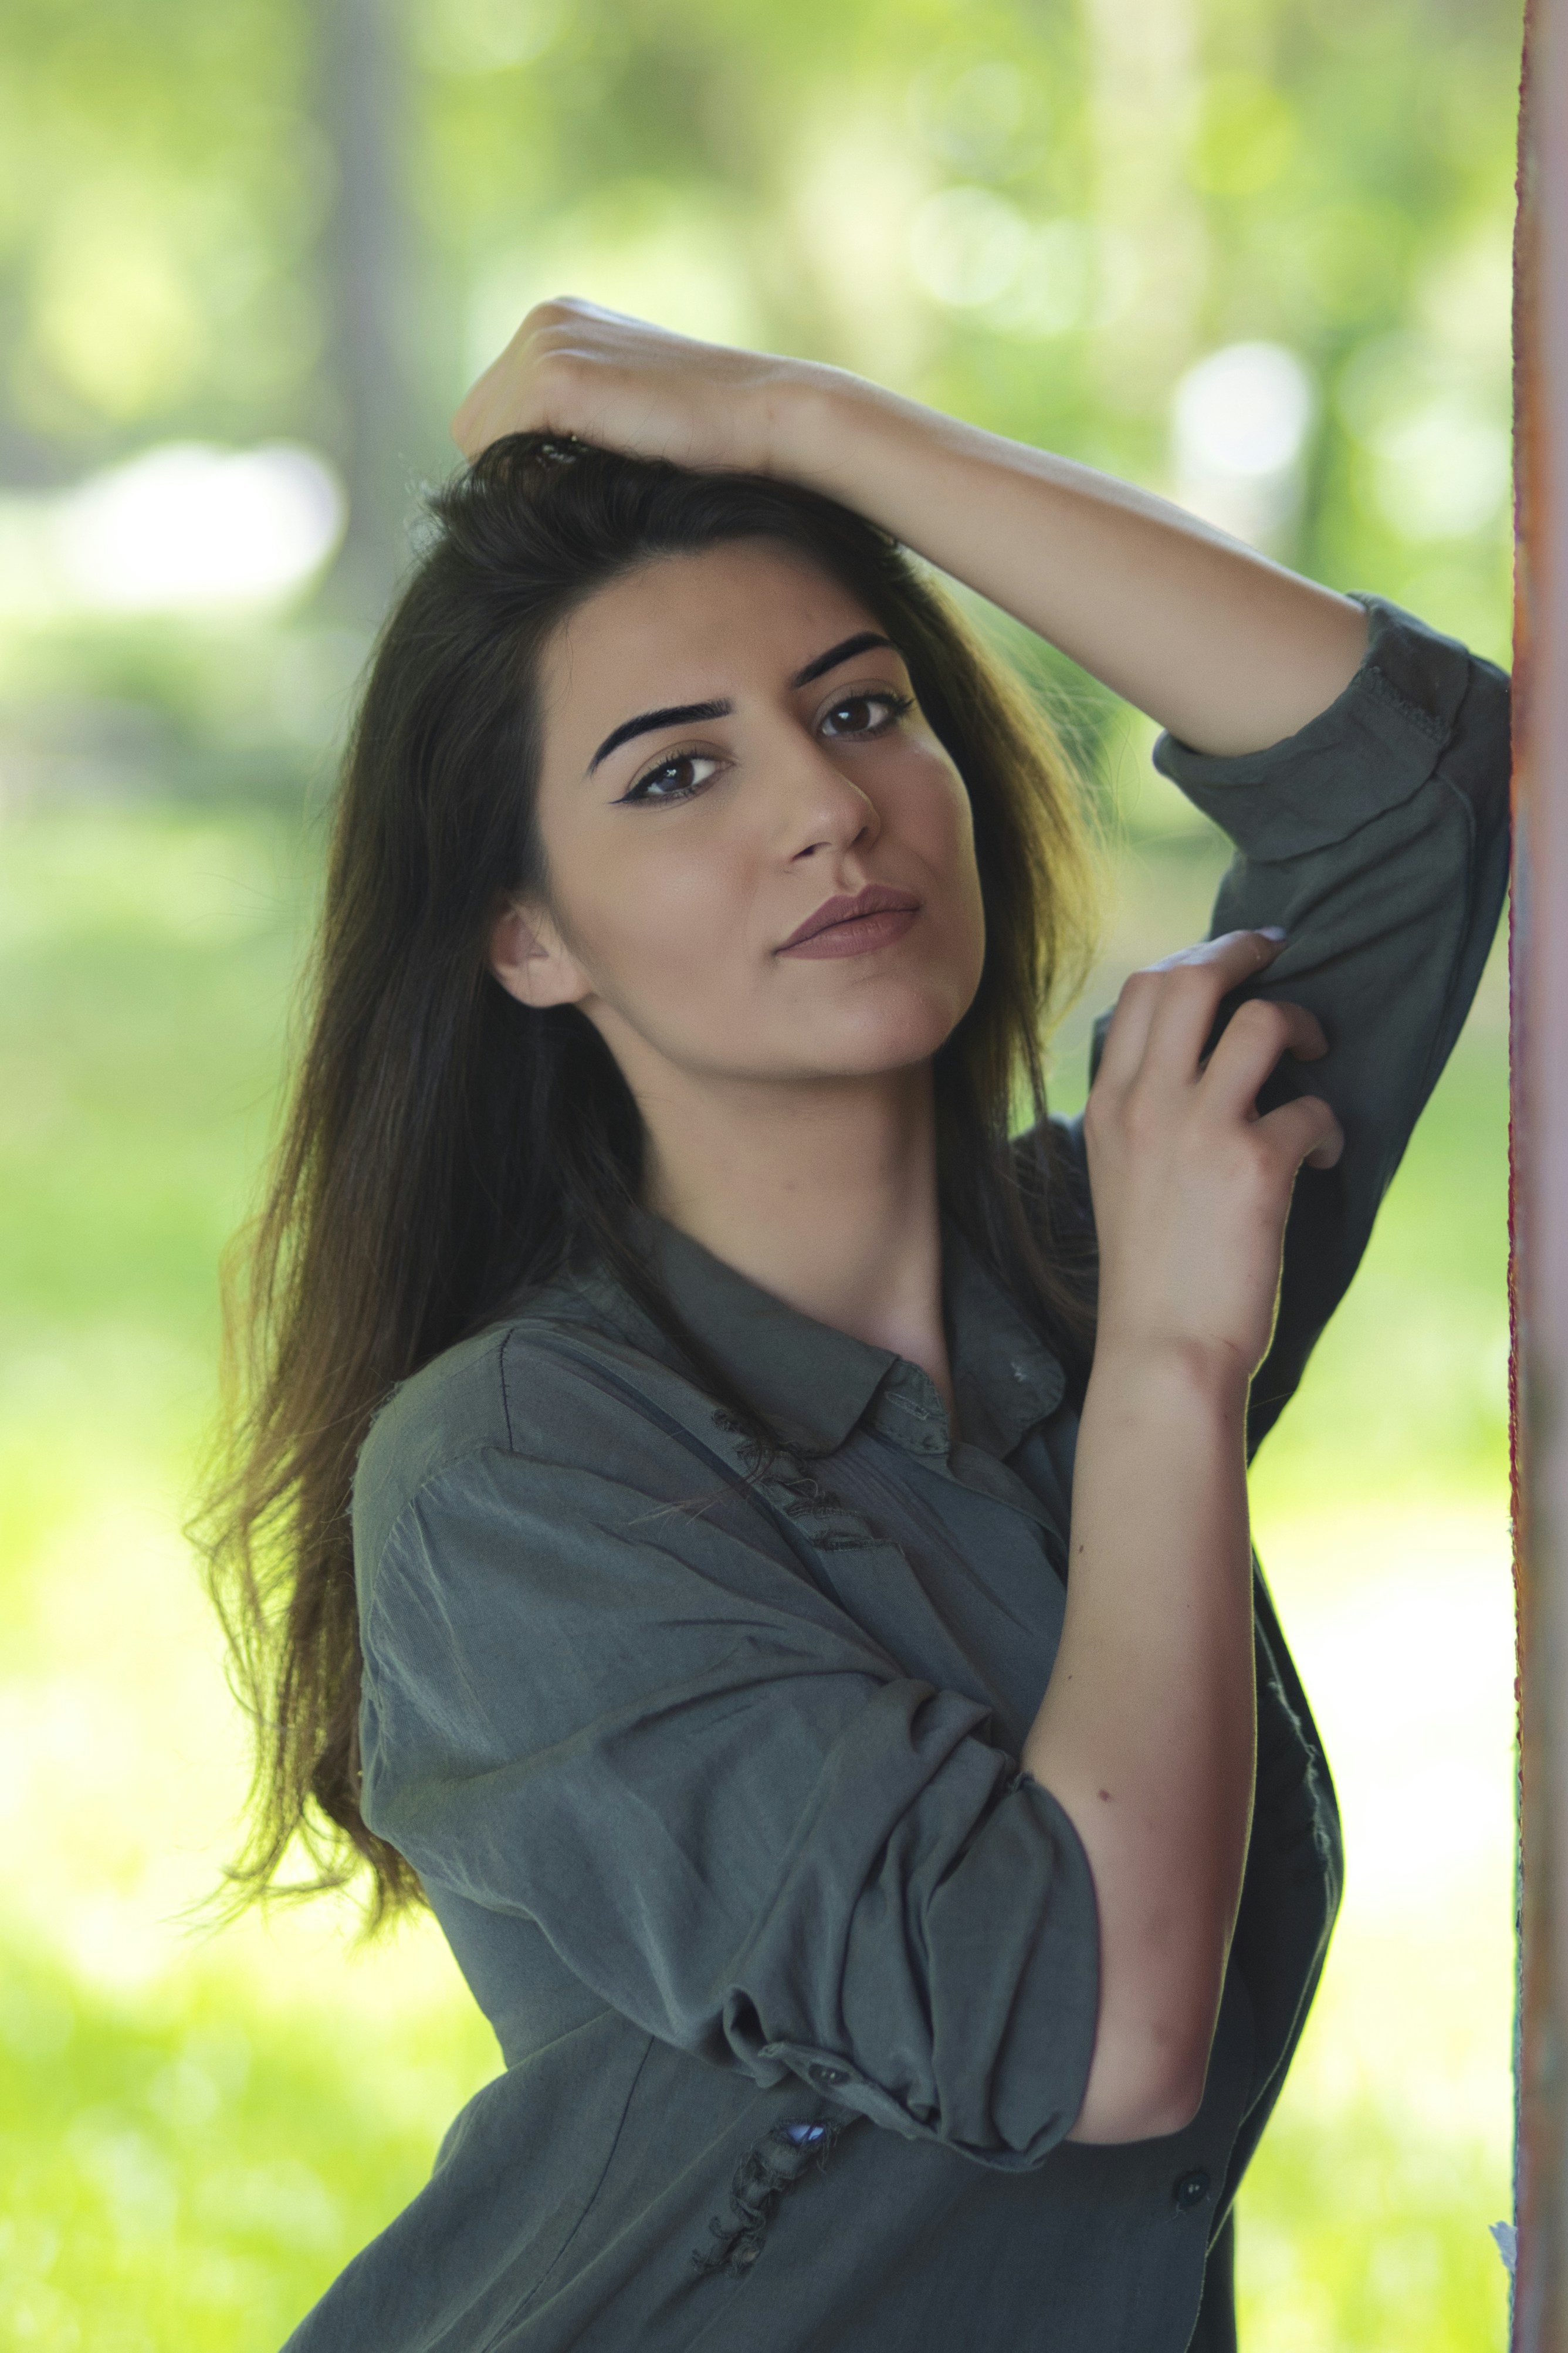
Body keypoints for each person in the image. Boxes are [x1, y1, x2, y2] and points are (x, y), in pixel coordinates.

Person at [204, 300, 1509, 2352]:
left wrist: (804, 424)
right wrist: (1174, 1359)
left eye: (862, 708)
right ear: (527, 935)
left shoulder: (1105, 1245)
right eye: (677, 773)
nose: (821, 807)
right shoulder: (509, 1478)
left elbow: (1411, 778)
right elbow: (1090, 2033)